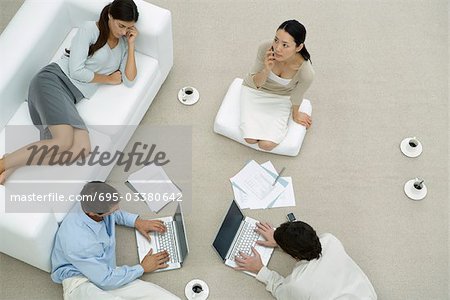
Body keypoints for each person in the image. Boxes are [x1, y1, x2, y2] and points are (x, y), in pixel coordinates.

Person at [0, 0, 139, 184]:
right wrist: (107, 79)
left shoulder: (122, 46)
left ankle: (14, 161)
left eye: (128, 28)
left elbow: (129, 80)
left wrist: (130, 45)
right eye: (121, 25)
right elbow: (76, 71)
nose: (123, 32)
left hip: (69, 97)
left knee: (82, 149)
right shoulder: (90, 29)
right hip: (52, 81)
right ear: (110, 16)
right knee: (63, 141)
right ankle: (3, 163)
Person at [51, 181, 180, 300]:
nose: (117, 211)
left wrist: (137, 222)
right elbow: (105, 279)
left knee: (158, 296)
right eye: (113, 210)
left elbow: (114, 213)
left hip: (104, 269)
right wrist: (142, 268)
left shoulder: (89, 202)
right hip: (79, 281)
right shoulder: (79, 242)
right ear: (93, 213)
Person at [234, 221, 377, 299]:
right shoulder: (330, 240)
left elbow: (280, 290)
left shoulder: (298, 284)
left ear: (294, 256)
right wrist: (280, 239)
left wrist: (260, 269)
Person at [240, 20, 315, 151]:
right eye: (276, 40)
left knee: (266, 145)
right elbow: (254, 82)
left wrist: (296, 114)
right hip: (255, 91)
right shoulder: (265, 48)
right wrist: (266, 70)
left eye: (285, 45)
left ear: (298, 47)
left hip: (281, 98)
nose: (277, 48)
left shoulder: (306, 72)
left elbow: (297, 94)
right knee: (250, 139)